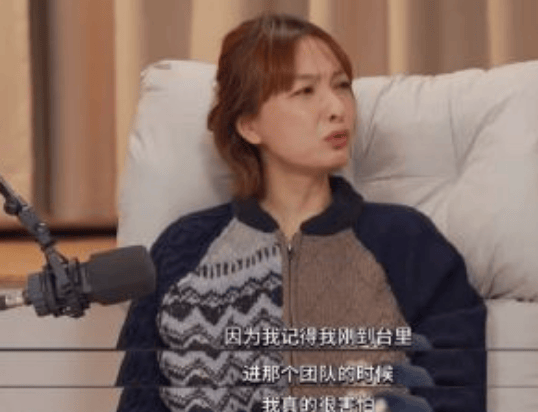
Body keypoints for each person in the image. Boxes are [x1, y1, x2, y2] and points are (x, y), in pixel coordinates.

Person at [115, 13, 486, 412]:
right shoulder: (180, 252)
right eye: (305, 91)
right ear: (249, 125)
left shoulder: (408, 242)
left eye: (342, 86)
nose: (337, 108)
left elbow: (455, 396)